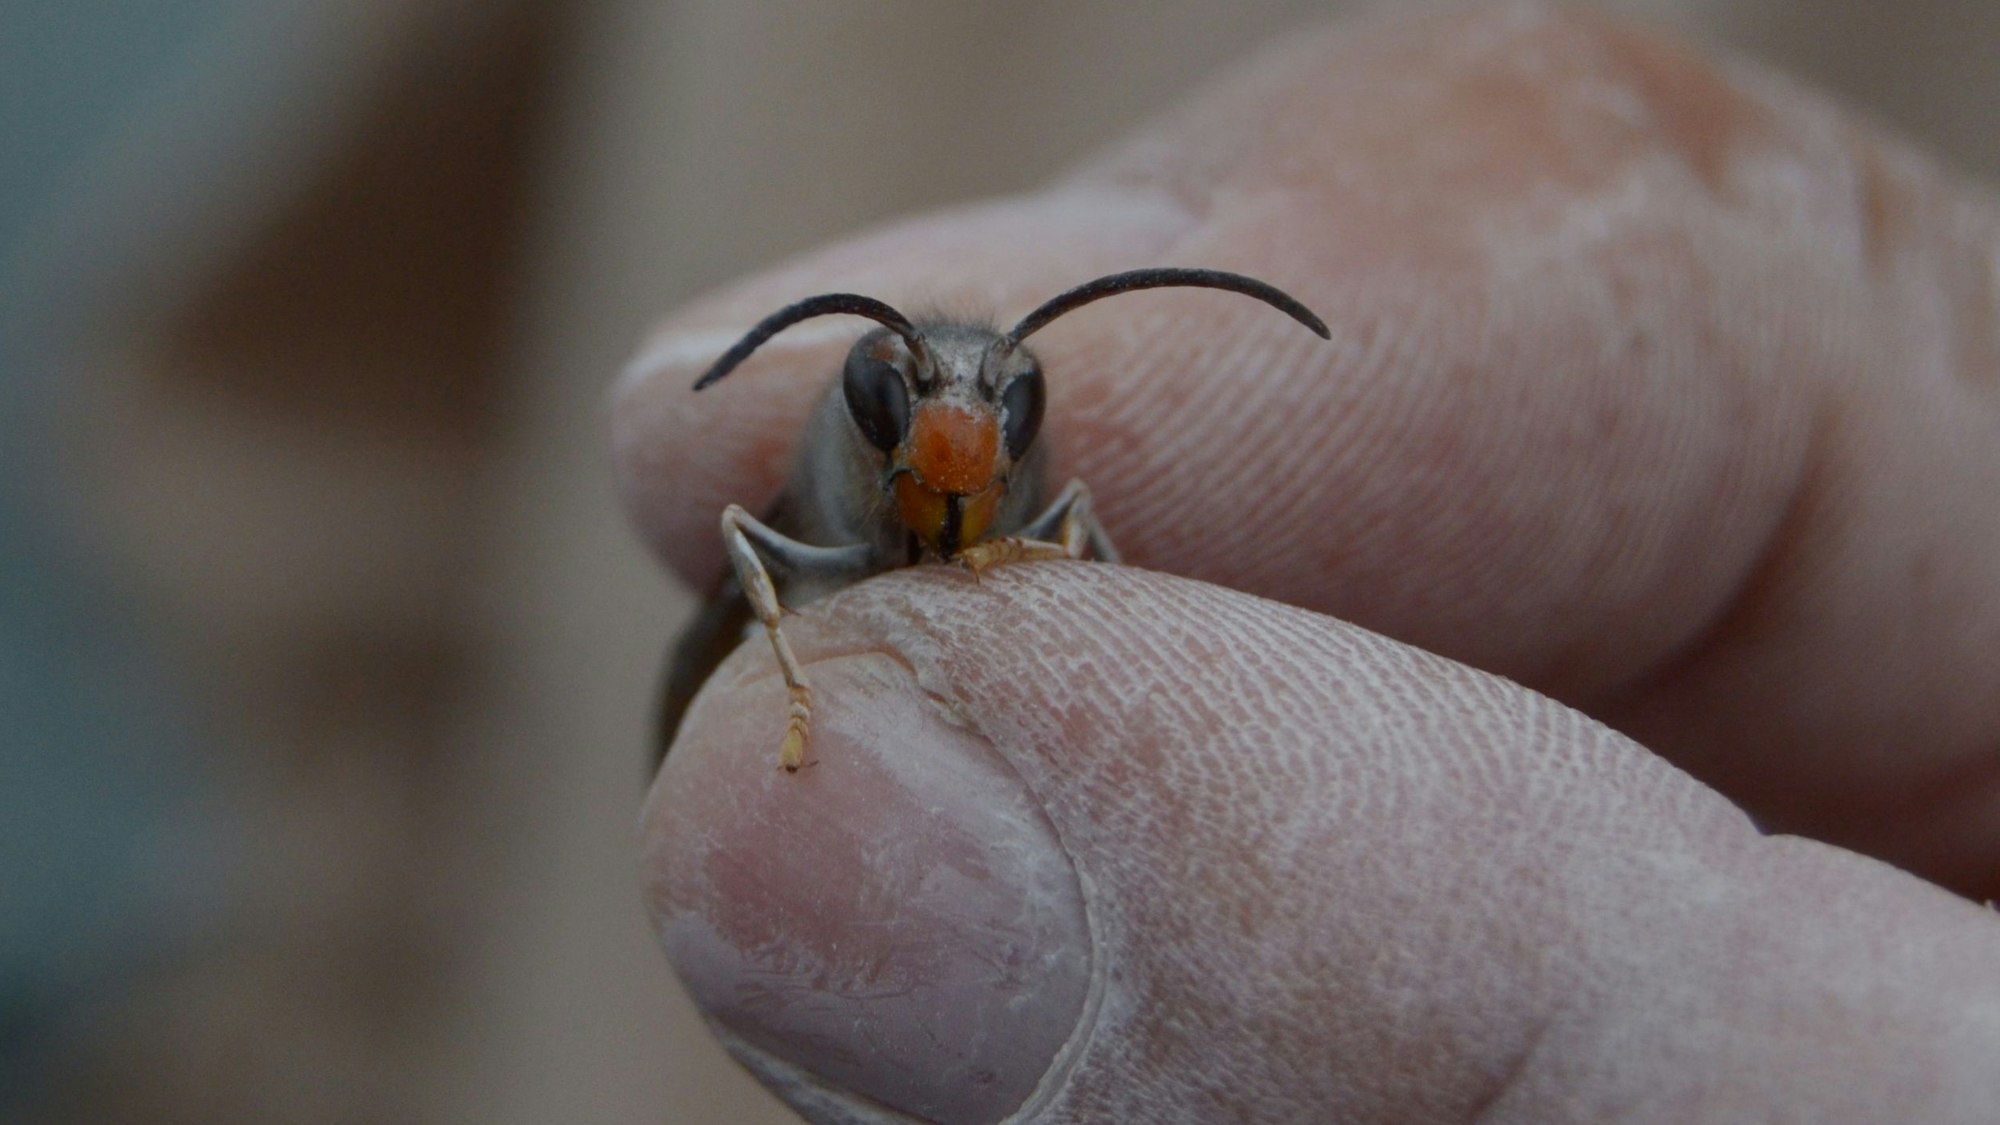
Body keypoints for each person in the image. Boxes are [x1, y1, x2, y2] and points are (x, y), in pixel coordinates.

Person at [612, 7, 2000, 1122]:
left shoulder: (1046, 484)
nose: (961, 436)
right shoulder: (821, 480)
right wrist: (792, 689)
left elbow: (1074, 532)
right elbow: (743, 543)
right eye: (914, 408)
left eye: (1001, 409)